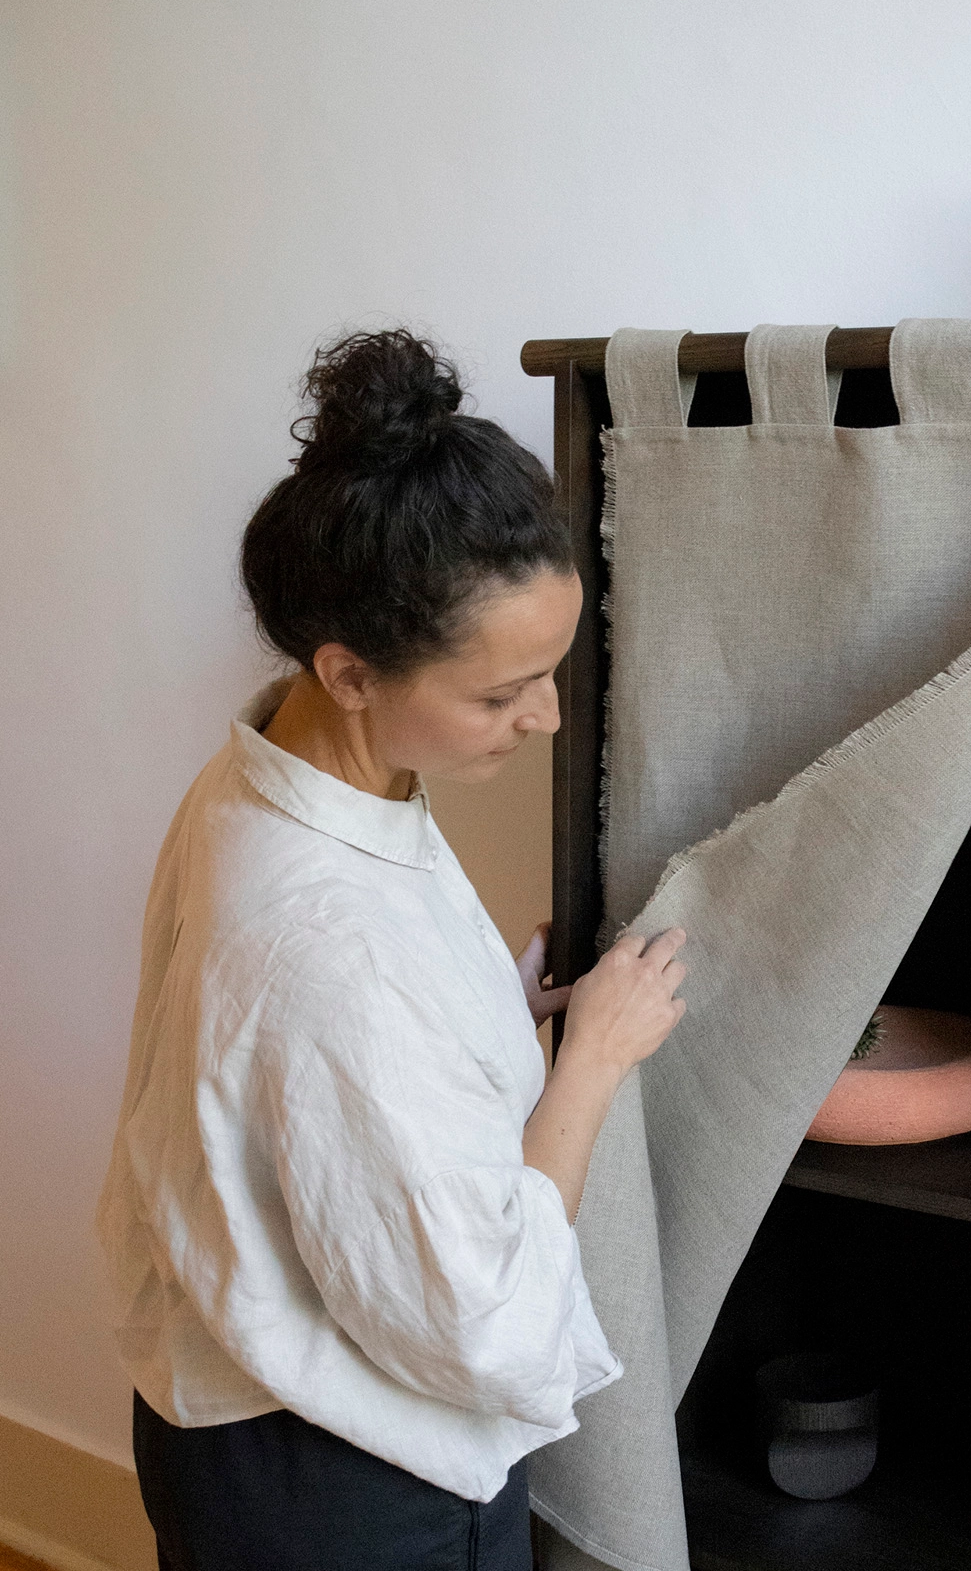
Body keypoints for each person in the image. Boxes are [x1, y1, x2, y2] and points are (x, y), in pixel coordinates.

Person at [96, 328, 687, 1571]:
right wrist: (591, 1056)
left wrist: (487, 1007)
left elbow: (301, 1076)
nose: (547, 715)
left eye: (552, 670)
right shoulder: (336, 945)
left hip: (224, 1426)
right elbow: (488, 1319)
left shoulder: (265, 771)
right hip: (347, 1486)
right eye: (501, 693)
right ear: (350, 672)